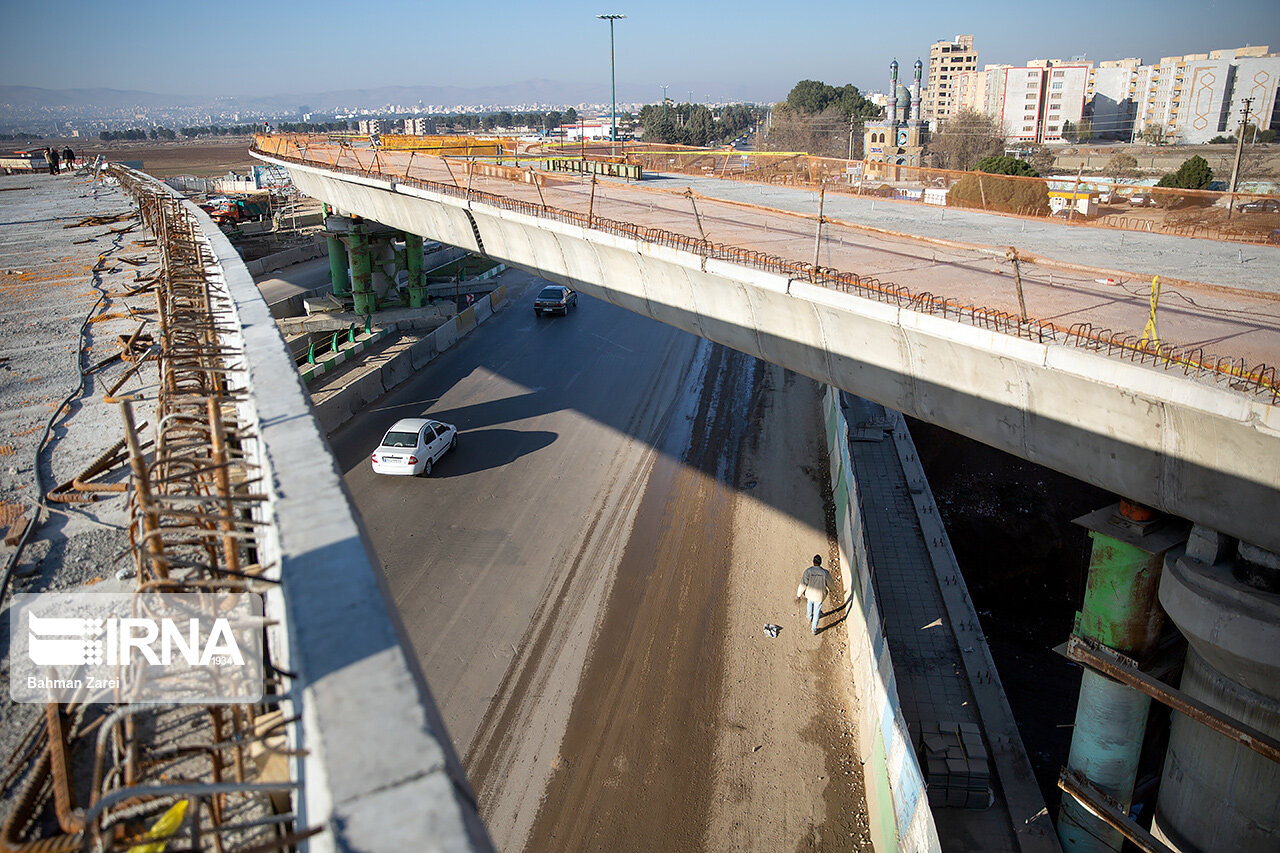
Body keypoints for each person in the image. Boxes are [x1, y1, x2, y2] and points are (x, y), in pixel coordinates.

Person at [796, 554, 832, 635]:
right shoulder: (825, 573)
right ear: (820, 563)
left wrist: (799, 594)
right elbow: (830, 583)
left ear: (813, 562)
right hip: (819, 596)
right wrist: (832, 589)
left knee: (809, 603)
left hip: (809, 594)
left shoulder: (808, 571)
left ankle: (809, 617)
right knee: (817, 611)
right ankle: (814, 629)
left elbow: (803, 584)